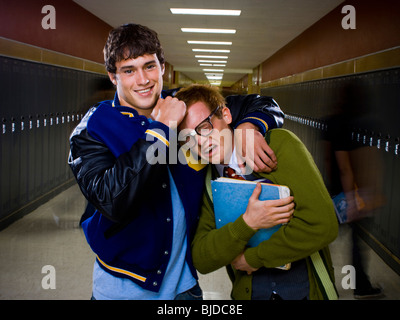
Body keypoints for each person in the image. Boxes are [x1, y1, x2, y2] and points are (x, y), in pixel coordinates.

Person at [68, 23, 285, 300]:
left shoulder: (184, 104)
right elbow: (112, 200)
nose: (143, 79)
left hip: (184, 285)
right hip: (122, 287)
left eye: (149, 66)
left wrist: (250, 127)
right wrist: (161, 129)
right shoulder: (91, 130)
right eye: (129, 70)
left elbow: (261, 103)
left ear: (162, 66)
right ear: (113, 76)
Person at [176, 84, 339, 300]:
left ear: (225, 114)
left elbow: (322, 226)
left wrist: (253, 258)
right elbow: (202, 258)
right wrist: (247, 224)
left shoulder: (278, 145)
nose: (201, 142)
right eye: (189, 138)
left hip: (305, 290)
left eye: (205, 127)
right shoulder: (208, 181)